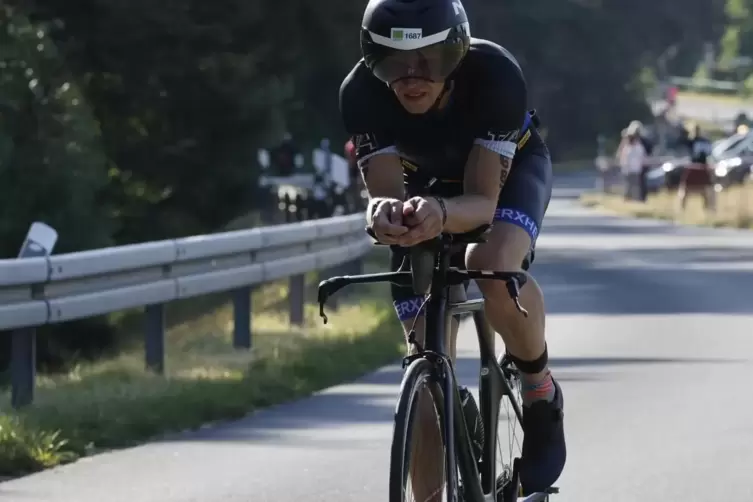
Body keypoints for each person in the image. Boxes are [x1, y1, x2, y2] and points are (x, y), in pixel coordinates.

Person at [339, 0, 565, 497]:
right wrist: (381, 215)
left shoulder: (495, 76)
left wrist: (439, 213)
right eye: (393, 64)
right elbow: (383, 196)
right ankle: (439, 401)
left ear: (457, 54)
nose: (412, 77)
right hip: (426, 188)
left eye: (430, 61)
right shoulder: (360, 93)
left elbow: (483, 202)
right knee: (422, 372)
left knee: (488, 265)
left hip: (505, 178)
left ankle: (540, 389)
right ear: (372, 62)